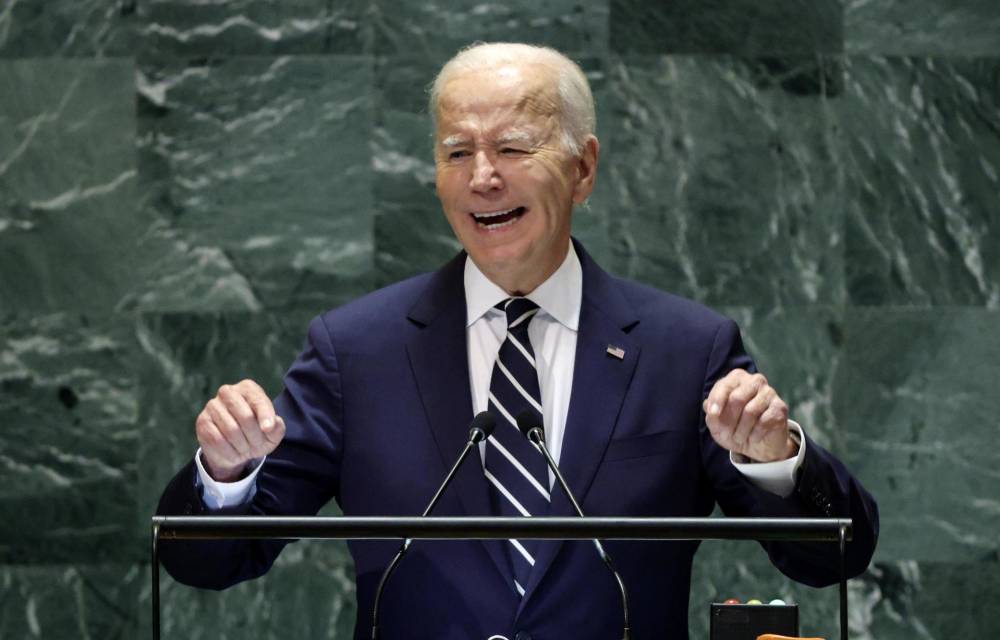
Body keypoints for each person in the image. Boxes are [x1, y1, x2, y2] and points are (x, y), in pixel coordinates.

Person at [157, 42, 878, 639]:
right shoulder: (359, 351)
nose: (483, 178)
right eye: (456, 153)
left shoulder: (685, 349)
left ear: (584, 167)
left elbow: (829, 559)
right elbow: (212, 561)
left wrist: (776, 462)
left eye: (511, 147)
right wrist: (223, 477)